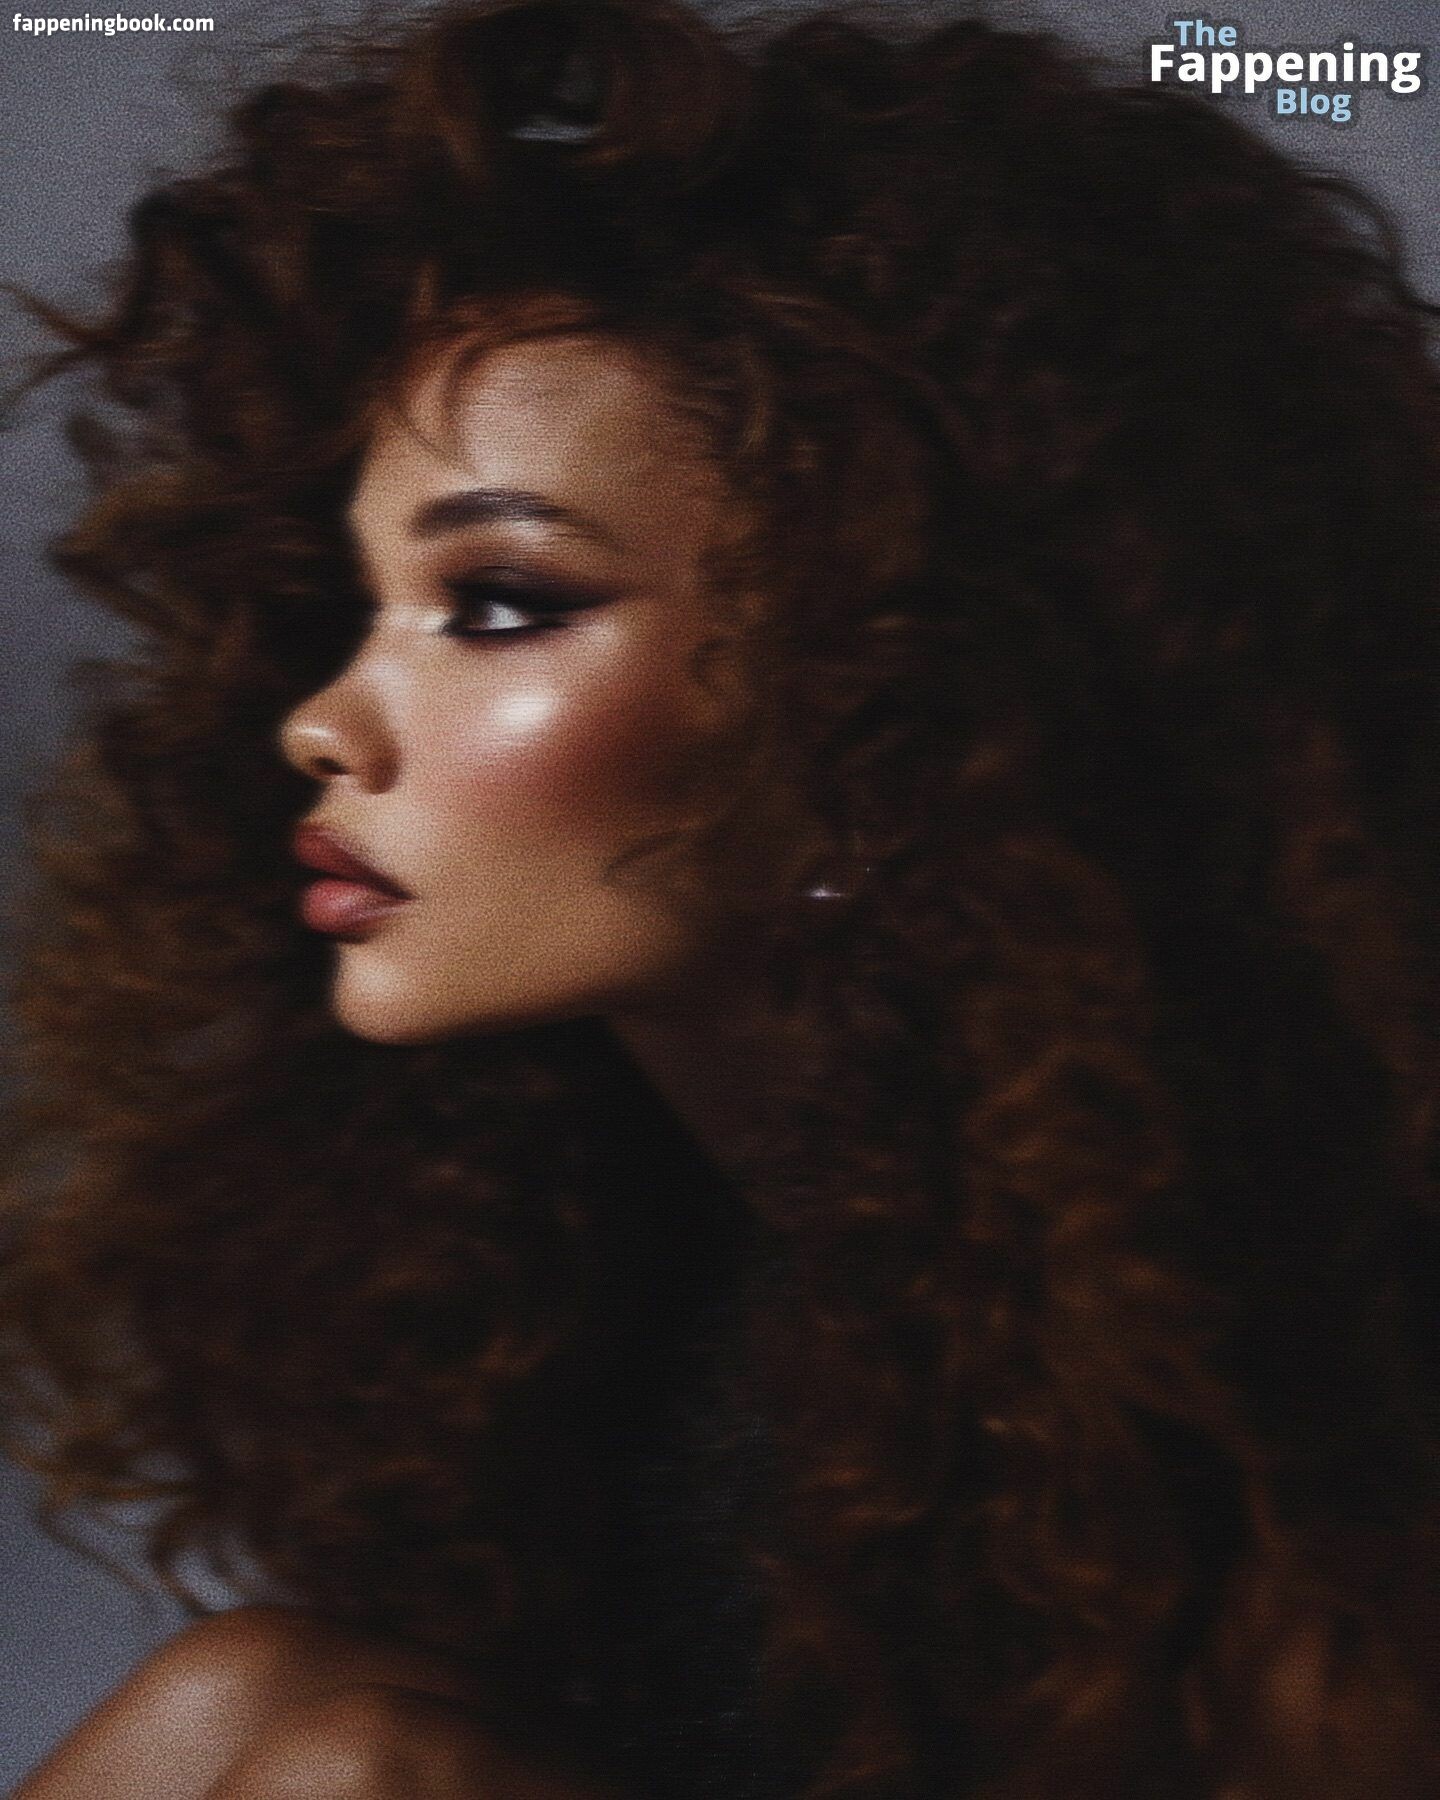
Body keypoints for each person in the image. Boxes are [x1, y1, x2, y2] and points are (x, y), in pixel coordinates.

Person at [3, 0, 1440, 1795]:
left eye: (502, 606)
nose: (320, 723)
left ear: (892, 692)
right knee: (264, 1700)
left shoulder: (1287, 1381)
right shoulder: (614, 1256)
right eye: (362, 607)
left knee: (344, 1760)